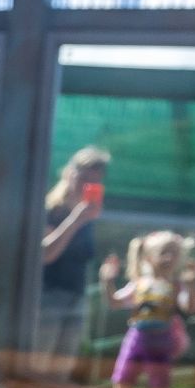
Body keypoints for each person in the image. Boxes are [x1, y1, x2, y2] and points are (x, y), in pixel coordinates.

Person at [100, 230, 195, 388]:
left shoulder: (176, 285)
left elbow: (190, 307)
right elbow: (115, 302)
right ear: (148, 256)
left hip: (161, 340)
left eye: (174, 253)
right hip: (137, 337)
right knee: (122, 380)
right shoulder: (138, 283)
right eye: (164, 252)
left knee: (161, 387)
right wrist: (107, 281)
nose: (169, 258)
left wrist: (191, 284)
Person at [39, 146, 111, 367]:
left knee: (62, 368)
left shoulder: (90, 215)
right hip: (47, 297)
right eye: (84, 178)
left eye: (94, 181)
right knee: (38, 364)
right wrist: (75, 220)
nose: (87, 185)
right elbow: (46, 254)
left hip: (77, 298)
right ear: (70, 174)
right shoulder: (50, 209)